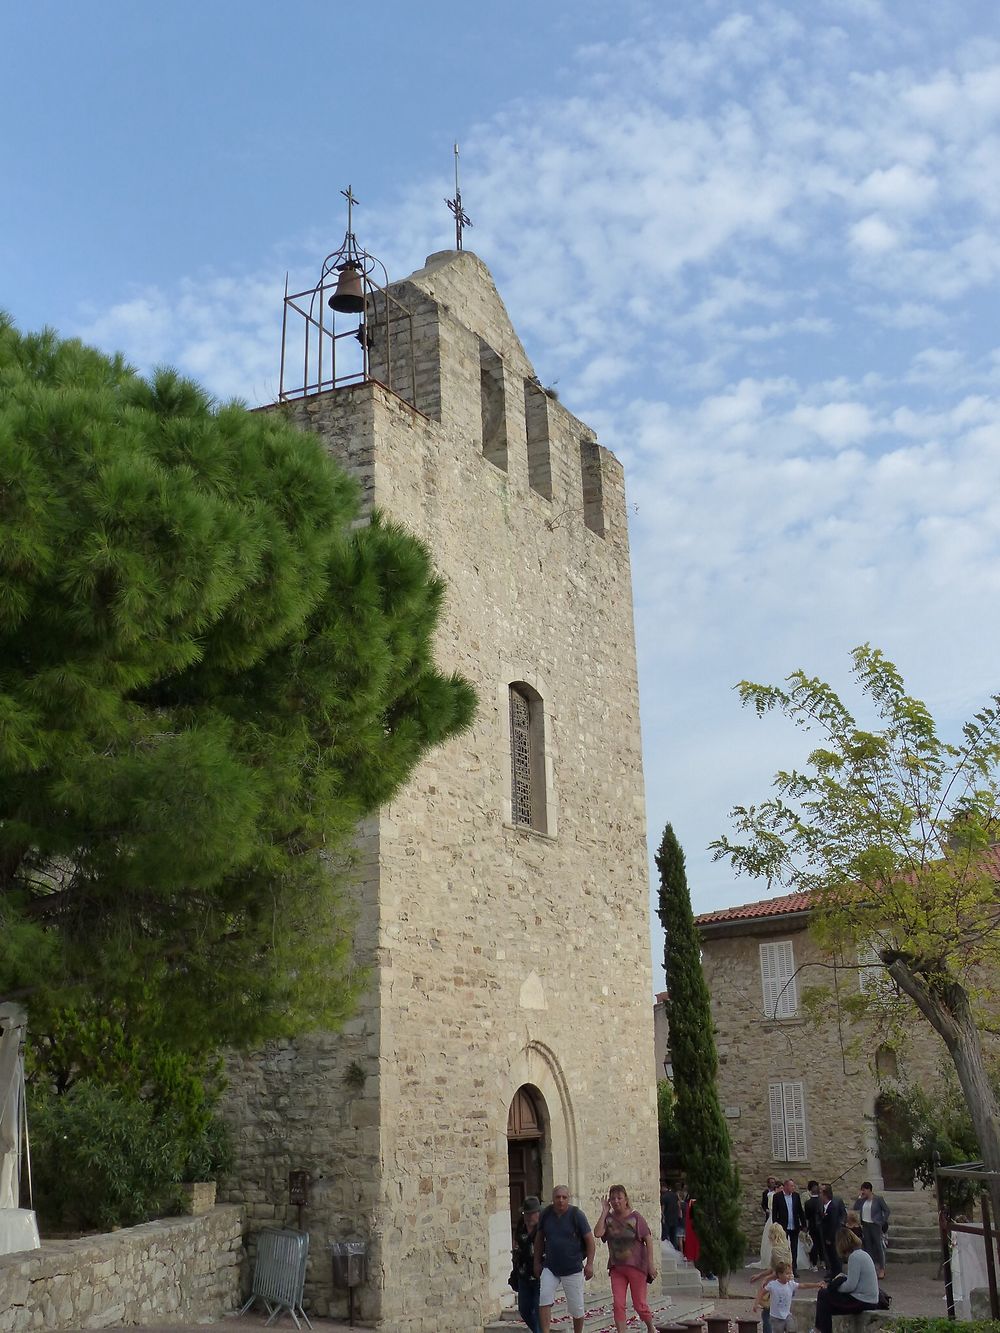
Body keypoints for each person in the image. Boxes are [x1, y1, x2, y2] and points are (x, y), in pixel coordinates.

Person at [595, 1184, 659, 1333]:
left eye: (619, 1198)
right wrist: (604, 1212)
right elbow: (598, 1233)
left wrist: (651, 1264)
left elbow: (648, 1239)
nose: (616, 1201)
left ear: (626, 1199)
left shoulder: (635, 1217)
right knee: (618, 1304)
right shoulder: (609, 1219)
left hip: (636, 1266)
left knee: (639, 1304)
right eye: (612, 1198)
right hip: (617, 1267)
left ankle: (650, 1327)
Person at [533, 1184, 595, 1333]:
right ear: (553, 1199)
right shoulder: (546, 1214)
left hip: (572, 1267)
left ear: (568, 1199)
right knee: (544, 1298)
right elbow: (539, 1239)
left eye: (564, 1197)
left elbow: (590, 1241)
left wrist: (590, 1264)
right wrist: (536, 1262)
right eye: (557, 1197)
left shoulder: (577, 1215)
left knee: (576, 1307)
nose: (561, 1200)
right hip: (551, 1266)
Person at [811, 1226, 880, 1333]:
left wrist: (834, 1287)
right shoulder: (862, 1254)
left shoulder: (854, 1257)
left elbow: (850, 1286)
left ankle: (819, 1329)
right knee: (825, 1304)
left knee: (824, 1295)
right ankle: (820, 1329)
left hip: (863, 1300)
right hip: (868, 1299)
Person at [754, 1260, 823, 1333]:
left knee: (792, 1328)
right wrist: (756, 1303)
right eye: (787, 1273)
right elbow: (761, 1292)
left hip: (787, 1315)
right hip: (776, 1317)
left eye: (790, 1273)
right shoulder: (773, 1285)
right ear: (779, 1274)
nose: (789, 1275)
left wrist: (817, 1285)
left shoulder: (791, 1284)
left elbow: (803, 1285)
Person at [754, 1226, 793, 1333]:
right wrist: (760, 1275)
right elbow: (777, 1268)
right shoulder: (787, 1248)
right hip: (790, 1283)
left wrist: (766, 1278)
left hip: (780, 1284)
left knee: (767, 1314)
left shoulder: (776, 1250)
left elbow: (779, 1271)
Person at [512, 1195, 542, 1333]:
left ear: (538, 1213)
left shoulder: (543, 1228)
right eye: (526, 1214)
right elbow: (517, 1245)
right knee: (524, 1310)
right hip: (523, 1274)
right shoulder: (520, 1226)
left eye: (532, 1213)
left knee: (538, 1310)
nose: (529, 1217)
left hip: (540, 1276)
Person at [852, 1181, 890, 1279]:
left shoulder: (878, 1199)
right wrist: (860, 1198)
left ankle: (882, 1268)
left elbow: (886, 1210)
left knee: (878, 1246)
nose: (863, 1192)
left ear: (869, 1189)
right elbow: (856, 1207)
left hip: (875, 1225)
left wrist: (882, 1221)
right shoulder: (863, 1200)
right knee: (868, 1246)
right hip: (865, 1224)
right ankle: (871, 1268)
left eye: (864, 1190)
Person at [772, 1179, 807, 1276]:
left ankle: (793, 1268)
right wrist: (776, 1226)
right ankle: (782, 1269)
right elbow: (775, 1213)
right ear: (786, 1186)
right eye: (791, 1186)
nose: (793, 1188)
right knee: (783, 1248)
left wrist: (803, 1224)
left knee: (794, 1248)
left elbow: (800, 1211)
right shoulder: (777, 1197)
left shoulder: (796, 1196)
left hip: (794, 1225)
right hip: (783, 1226)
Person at [818, 1184, 847, 1280]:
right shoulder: (824, 1205)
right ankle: (832, 1273)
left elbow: (833, 1223)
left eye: (821, 1192)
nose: (819, 1195)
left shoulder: (832, 1207)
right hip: (825, 1234)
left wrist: (830, 1238)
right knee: (830, 1256)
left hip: (832, 1236)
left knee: (835, 1256)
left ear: (825, 1194)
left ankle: (837, 1275)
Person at [753, 1178, 780, 1267]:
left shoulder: (778, 1195)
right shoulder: (767, 1194)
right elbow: (764, 1204)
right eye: (771, 1183)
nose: (773, 1184)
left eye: (774, 1182)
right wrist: (767, 1210)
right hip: (771, 1216)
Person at [803, 1181, 824, 1271]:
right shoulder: (822, 1201)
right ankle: (823, 1262)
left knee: (813, 1244)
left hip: (812, 1226)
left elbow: (807, 1216)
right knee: (822, 1244)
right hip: (822, 1226)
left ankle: (814, 1263)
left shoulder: (808, 1203)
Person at [661, 1181, 681, 1249]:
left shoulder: (664, 1197)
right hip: (674, 1218)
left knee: (666, 1236)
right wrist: (679, 1215)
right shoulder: (675, 1195)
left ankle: (669, 1250)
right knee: (674, 1237)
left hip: (667, 1218)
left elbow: (662, 1209)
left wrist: (663, 1217)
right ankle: (674, 1250)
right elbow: (679, 1205)